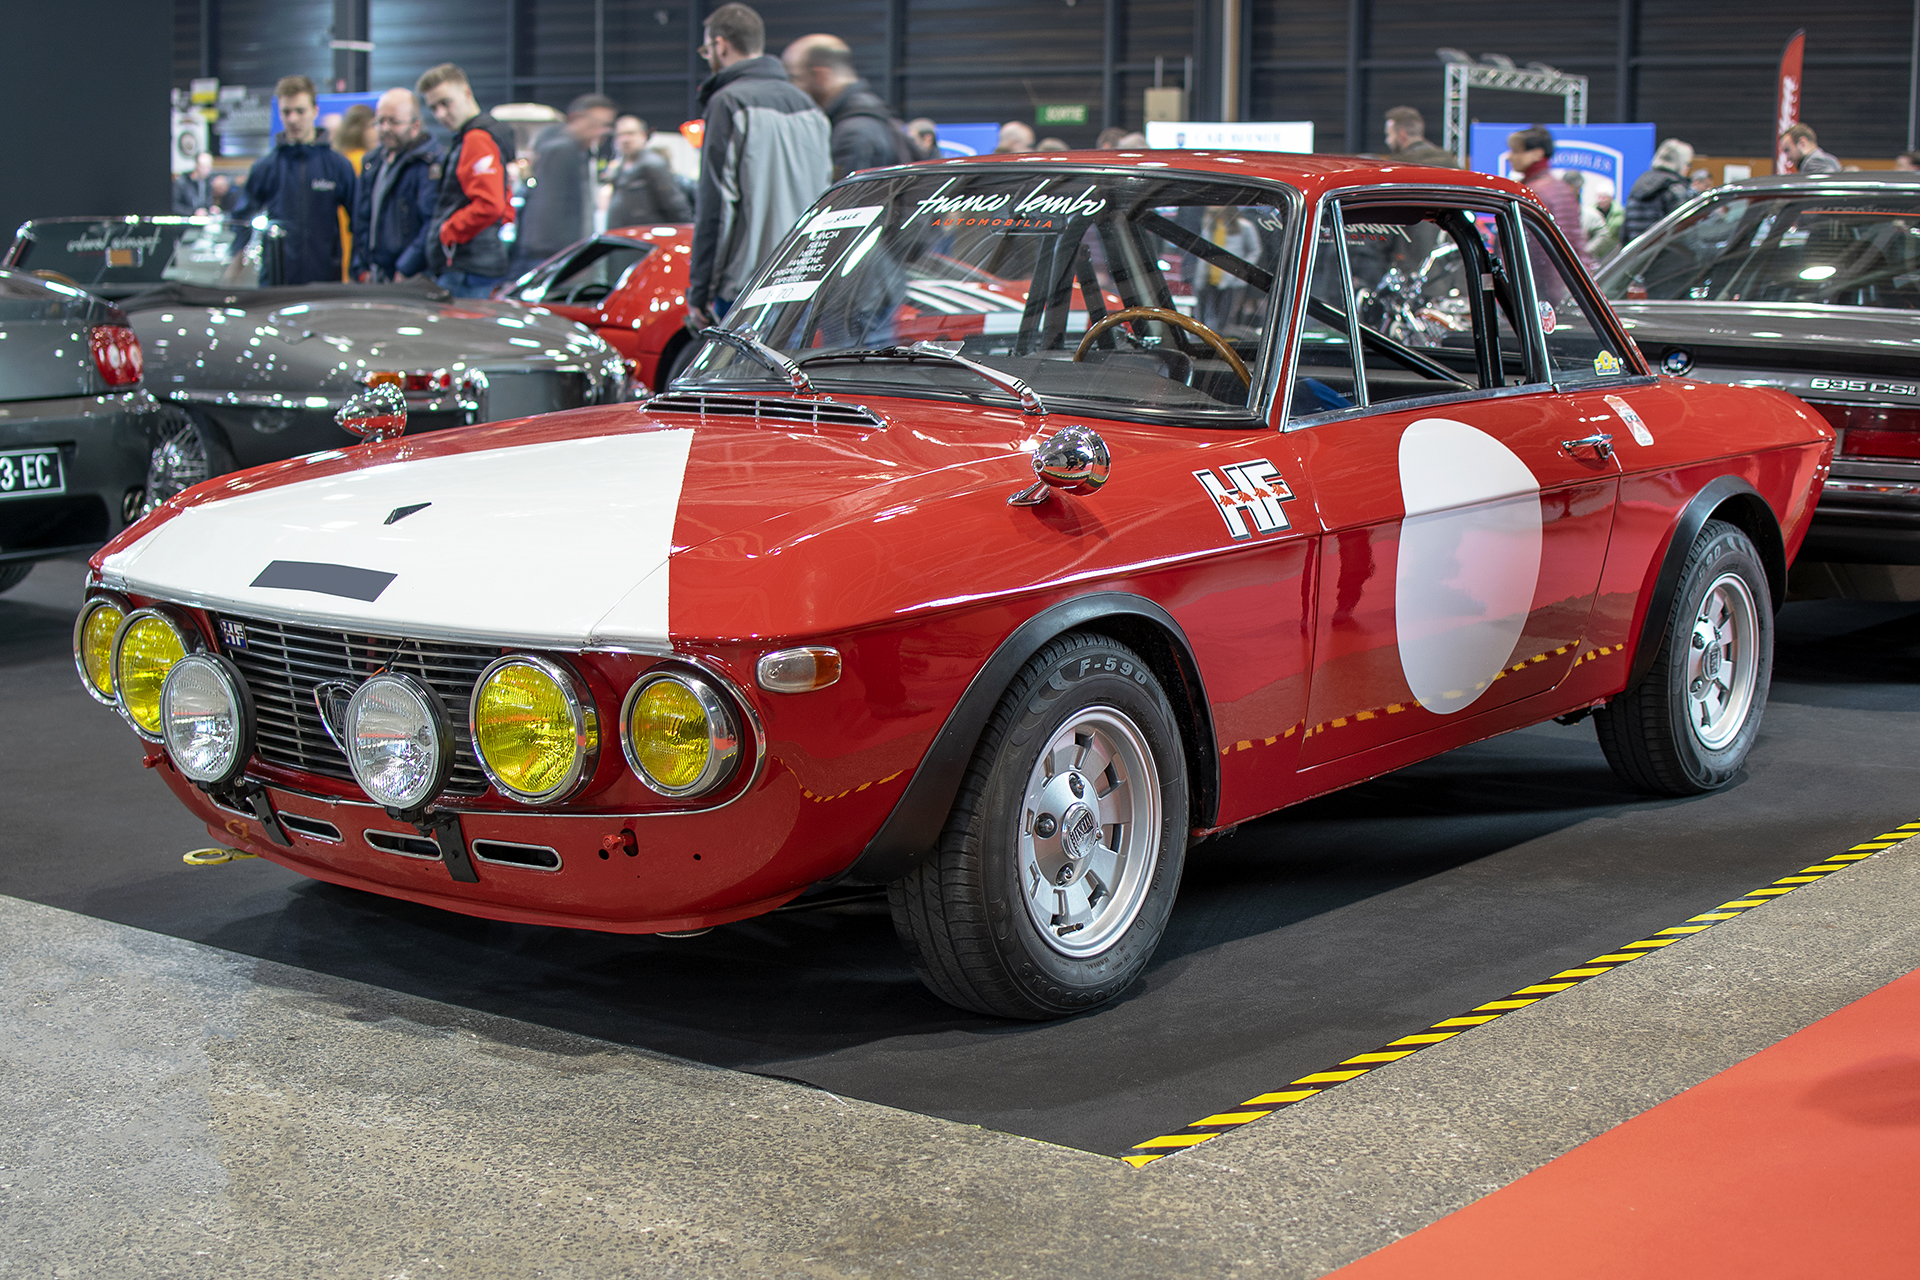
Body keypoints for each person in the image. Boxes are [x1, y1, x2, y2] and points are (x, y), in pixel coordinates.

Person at [684, 3, 831, 332]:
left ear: (720, 46)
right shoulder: (810, 107)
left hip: (746, 288)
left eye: (707, 49)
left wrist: (701, 293)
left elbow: (717, 207)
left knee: (735, 382)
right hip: (803, 281)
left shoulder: (728, 103)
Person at [234, 75, 357, 285]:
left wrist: (357, 267)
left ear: (315, 111)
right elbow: (241, 219)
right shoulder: (266, 167)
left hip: (325, 281)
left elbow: (360, 220)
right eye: (286, 112)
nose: (292, 119)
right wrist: (235, 260)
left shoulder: (338, 167)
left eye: (300, 111)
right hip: (276, 282)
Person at [416, 63, 518, 298]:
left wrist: (449, 231)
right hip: (475, 263)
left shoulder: (477, 139)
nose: (440, 114)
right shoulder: (478, 136)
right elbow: (504, 203)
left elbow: (491, 205)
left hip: (466, 267)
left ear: (467, 94)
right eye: (434, 108)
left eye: (445, 103)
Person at [782, 34, 918, 179]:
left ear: (820, 76)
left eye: (795, 78)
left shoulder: (854, 134)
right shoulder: (876, 117)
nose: (791, 87)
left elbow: (851, 200)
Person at [351, 87, 442, 283]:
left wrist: (406, 268)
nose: (385, 128)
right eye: (380, 121)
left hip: (409, 278)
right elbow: (361, 219)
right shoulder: (372, 162)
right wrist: (360, 267)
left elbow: (431, 223)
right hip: (374, 277)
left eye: (394, 122)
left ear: (415, 125)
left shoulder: (429, 165)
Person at [518, 93, 617, 267]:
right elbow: (551, 204)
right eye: (595, 124)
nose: (601, 131)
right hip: (550, 253)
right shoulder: (563, 150)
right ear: (576, 118)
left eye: (605, 126)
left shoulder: (573, 149)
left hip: (555, 251)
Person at [1506, 125, 1591, 269]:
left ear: (1537, 154)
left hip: (1544, 281)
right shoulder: (1557, 187)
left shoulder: (1535, 192)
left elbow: (1539, 253)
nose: (1510, 157)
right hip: (1563, 278)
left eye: (1516, 151)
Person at [605, 115, 692, 227]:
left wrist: (686, 227)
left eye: (630, 133)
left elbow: (673, 201)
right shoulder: (620, 167)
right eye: (620, 135)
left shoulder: (654, 164)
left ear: (643, 135)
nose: (625, 139)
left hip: (647, 235)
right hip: (625, 235)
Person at [1625, 138, 1694, 241]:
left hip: (1638, 253)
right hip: (1665, 254)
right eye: (1688, 164)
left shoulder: (1637, 186)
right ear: (1681, 163)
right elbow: (1685, 232)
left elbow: (1625, 232)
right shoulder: (1675, 189)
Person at [1383, 106, 1457, 167]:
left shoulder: (1400, 165)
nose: (1387, 141)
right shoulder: (1448, 160)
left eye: (1389, 135)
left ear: (1402, 135)